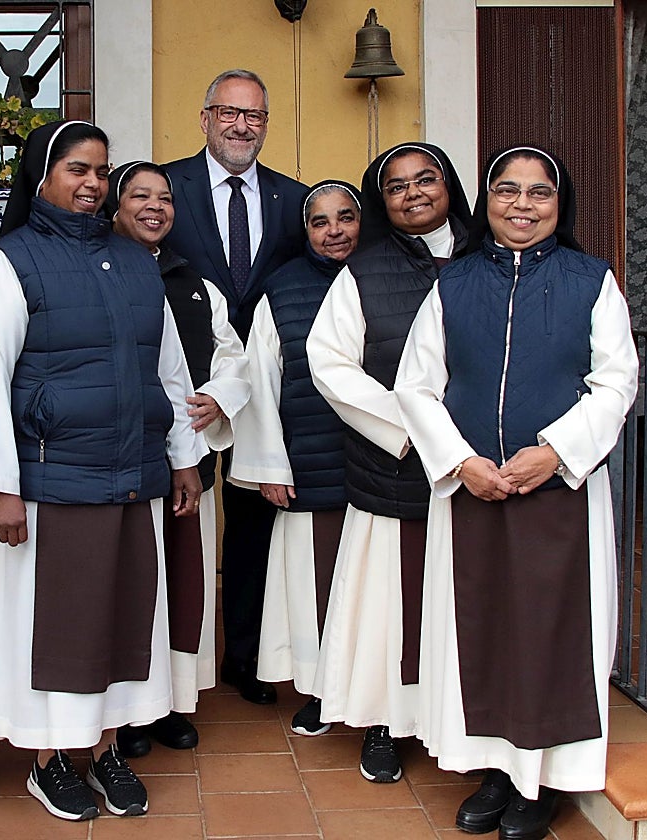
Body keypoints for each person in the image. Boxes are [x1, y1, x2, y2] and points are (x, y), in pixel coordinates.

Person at [0, 122, 207, 822]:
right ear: (42, 177)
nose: (92, 183)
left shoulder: (134, 261)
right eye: (76, 170)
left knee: (124, 619)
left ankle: (102, 750)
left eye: (100, 171)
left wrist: (184, 457)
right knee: (59, 628)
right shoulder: (8, 263)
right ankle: (49, 760)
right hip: (51, 476)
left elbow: (169, 369)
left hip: (132, 471)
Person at [394, 145, 638, 840]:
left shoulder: (593, 281)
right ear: (488, 201)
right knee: (485, 628)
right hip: (473, 489)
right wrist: (460, 460)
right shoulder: (453, 283)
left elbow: (616, 381)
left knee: (550, 632)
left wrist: (557, 451)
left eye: (539, 194)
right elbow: (415, 386)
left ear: (561, 206)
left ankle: (540, 783)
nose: (522, 205)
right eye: (508, 191)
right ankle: (496, 770)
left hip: (559, 491)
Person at [307, 142, 471, 784]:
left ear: (449, 185)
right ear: (383, 203)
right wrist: (415, 429)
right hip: (397, 466)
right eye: (396, 187)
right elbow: (329, 362)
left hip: (481, 469)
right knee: (389, 608)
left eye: (424, 180)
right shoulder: (363, 271)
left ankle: (457, 720)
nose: (413, 194)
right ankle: (384, 722)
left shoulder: (491, 259)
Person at [165, 68, 307, 705]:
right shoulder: (165, 187)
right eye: (227, 112)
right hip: (185, 390)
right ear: (204, 117)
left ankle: (245, 660)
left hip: (265, 392)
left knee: (253, 526)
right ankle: (171, 672)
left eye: (253, 115)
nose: (240, 125)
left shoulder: (293, 199)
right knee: (180, 526)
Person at [102, 161, 251, 757]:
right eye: (139, 196)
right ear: (116, 206)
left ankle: (170, 703)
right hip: (122, 462)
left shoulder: (195, 285)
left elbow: (234, 357)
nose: (154, 207)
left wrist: (217, 396)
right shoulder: (100, 269)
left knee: (182, 582)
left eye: (164, 198)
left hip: (189, 462)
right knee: (134, 587)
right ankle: (128, 709)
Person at [229, 180, 360, 740]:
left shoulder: (384, 276)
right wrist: (270, 468)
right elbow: (260, 381)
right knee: (314, 588)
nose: (334, 231)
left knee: (369, 589)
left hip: (382, 467)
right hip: (309, 462)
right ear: (304, 231)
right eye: (320, 221)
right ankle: (318, 690)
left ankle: (369, 693)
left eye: (346, 218)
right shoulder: (281, 291)